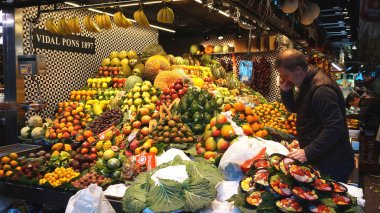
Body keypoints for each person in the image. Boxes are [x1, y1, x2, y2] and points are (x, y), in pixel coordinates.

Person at [275, 49, 354, 182]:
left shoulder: (321, 90)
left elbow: (335, 128)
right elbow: (296, 108)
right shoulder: (307, 82)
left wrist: (308, 152)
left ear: (298, 69)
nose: (285, 79)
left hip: (333, 162)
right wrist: (286, 92)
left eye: (286, 75)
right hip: (323, 156)